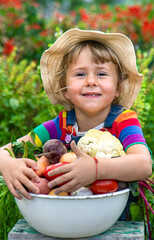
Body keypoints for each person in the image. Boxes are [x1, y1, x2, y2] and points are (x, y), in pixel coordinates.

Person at [0, 29, 152, 203]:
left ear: (118, 88)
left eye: (101, 74)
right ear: (65, 89)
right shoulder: (58, 126)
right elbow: (5, 151)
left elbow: (144, 164)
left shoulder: (124, 122)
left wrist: (96, 170)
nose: (91, 81)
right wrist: (7, 163)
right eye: (80, 74)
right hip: (64, 218)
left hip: (112, 221)